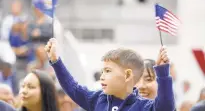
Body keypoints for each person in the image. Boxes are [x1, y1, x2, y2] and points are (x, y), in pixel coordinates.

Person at [45, 38, 175, 111]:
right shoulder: (96, 99)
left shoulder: (145, 107)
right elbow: (73, 88)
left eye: (108, 71)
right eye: (102, 71)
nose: (102, 76)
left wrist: (163, 72)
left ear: (128, 75)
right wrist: (56, 61)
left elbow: (166, 107)